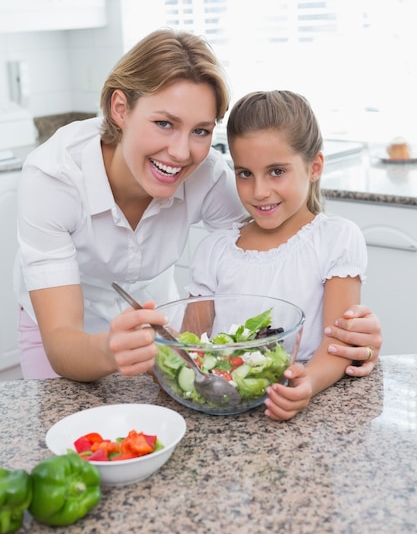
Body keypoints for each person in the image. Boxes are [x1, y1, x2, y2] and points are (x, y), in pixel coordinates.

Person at [14, 29, 381, 382]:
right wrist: (110, 352)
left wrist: (351, 339)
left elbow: (273, 257)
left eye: (201, 131)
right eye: (163, 123)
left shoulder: (207, 176)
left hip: (156, 334)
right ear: (121, 109)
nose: (181, 152)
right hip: (64, 337)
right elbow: (62, 339)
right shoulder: (53, 180)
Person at [185, 89, 378, 421]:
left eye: (276, 171)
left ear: (314, 166)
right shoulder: (214, 249)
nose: (259, 191)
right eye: (245, 173)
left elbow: (338, 345)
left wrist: (306, 383)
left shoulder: (336, 239)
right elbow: (191, 348)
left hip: (304, 408)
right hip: (226, 411)